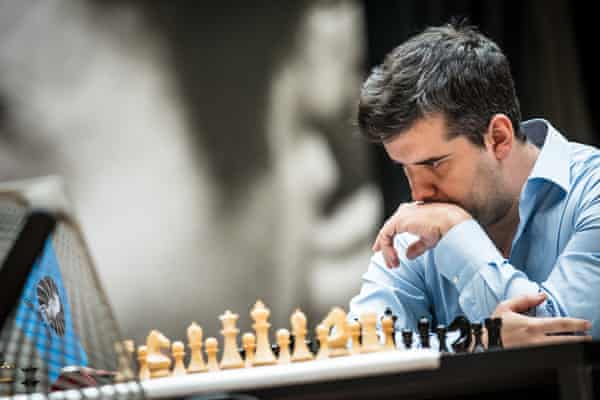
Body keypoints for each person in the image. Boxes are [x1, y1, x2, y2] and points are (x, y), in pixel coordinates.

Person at [349, 22, 598, 348]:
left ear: (498, 138)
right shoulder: (421, 225)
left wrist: (458, 232)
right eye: (405, 170)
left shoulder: (592, 191)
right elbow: (364, 348)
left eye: (433, 164)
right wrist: (478, 340)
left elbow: (563, 341)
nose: (418, 194)